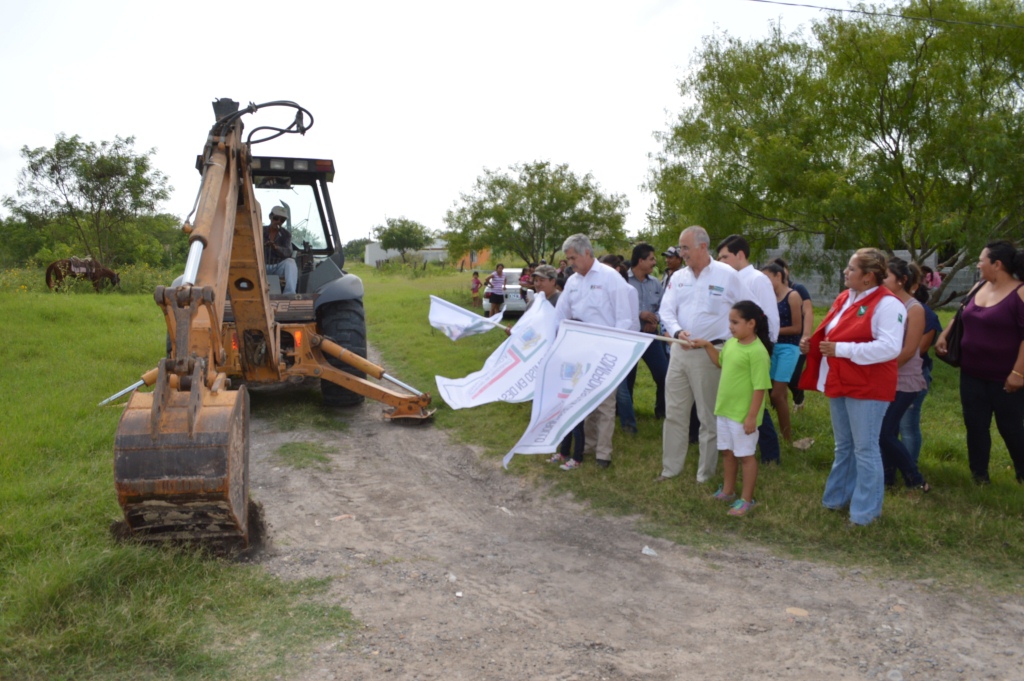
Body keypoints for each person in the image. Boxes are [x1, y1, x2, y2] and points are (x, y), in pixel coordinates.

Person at [799, 248, 904, 526]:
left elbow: (890, 348)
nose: (845, 272)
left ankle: (865, 514)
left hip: (868, 385)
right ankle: (835, 500)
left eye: (851, 269)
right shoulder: (846, 297)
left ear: (868, 277)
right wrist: (813, 344)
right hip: (842, 379)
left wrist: (840, 349)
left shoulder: (889, 304)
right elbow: (831, 332)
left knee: (865, 449)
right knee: (844, 446)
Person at [657, 226, 748, 483]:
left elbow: (748, 309)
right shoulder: (678, 277)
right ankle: (670, 469)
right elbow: (666, 311)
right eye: (680, 247)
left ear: (703, 247)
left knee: (708, 417)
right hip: (678, 352)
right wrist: (677, 332)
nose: (681, 252)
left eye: (685, 247)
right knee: (674, 413)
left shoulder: (727, 275)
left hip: (710, 354)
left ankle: (705, 475)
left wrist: (733, 344)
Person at [936, 241, 1024, 484]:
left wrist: (1018, 373)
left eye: (981, 260)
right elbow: (961, 315)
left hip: (1006, 377)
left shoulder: (1020, 292)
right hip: (971, 373)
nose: (978, 264)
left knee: (1011, 428)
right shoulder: (979, 286)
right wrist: (944, 334)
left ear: (997, 264)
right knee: (975, 426)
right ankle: (979, 476)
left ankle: (1022, 472)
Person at [554, 234, 635, 469]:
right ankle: (587, 446)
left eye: (573, 257)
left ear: (587, 253)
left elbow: (624, 318)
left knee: (606, 405)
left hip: (606, 350)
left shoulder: (611, 278)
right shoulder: (572, 282)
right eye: (568, 258)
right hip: (580, 351)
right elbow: (561, 315)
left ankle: (603, 453)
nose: (570, 262)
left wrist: (615, 351)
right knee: (584, 400)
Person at [692, 301, 774, 517]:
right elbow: (720, 362)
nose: (730, 326)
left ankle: (747, 499)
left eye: (735, 322)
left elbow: (760, 388)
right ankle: (728, 491)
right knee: (727, 453)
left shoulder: (757, 352)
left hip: (742, 415)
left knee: (746, 456)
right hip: (725, 411)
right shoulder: (731, 344)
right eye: (730, 321)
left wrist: (751, 417)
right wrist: (708, 346)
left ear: (751, 323)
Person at [716, 235, 782, 465]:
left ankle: (771, 454)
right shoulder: (729, 278)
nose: (721, 261)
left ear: (740, 255)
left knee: (755, 401)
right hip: (737, 348)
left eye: (725, 256)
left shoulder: (757, 279)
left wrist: (764, 347)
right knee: (741, 400)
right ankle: (739, 446)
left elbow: (769, 316)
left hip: (755, 348)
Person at [878, 257, 930, 492]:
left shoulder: (914, 309)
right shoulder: (884, 303)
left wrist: (879, 368)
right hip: (885, 376)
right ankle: (888, 478)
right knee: (884, 431)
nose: (881, 280)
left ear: (902, 281)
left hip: (904, 379)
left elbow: (910, 350)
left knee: (884, 432)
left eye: (886, 276)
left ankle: (915, 479)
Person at [898, 276, 943, 463]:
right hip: (892, 374)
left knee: (907, 425)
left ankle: (910, 469)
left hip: (912, 375)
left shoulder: (922, 312)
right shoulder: (889, 306)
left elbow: (920, 348)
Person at [623, 243, 668, 422]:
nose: (655, 262)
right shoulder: (623, 281)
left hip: (651, 336)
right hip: (630, 338)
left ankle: (662, 411)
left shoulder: (655, 283)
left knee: (664, 375)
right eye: (651, 259)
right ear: (640, 261)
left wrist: (654, 319)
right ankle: (626, 415)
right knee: (627, 379)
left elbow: (665, 307)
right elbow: (619, 309)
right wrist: (640, 315)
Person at [761, 262, 802, 444]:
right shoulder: (768, 298)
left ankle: (786, 438)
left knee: (777, 394)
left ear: (778, 276)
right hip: (772, 348)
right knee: (778, 394)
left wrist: (772, 331)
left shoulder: (793, 296)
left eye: (767, 278)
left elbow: (796, 328)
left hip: (788, 348)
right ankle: (782, 432)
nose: (765, 283)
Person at [774, 257, 814, 410]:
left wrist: (806, 335)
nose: (780, 274)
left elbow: (808, 311)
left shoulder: (798, 289)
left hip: (796, 340)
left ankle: (799, 399)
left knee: (793, 376)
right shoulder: (770, 292)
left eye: (782, 270)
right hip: (777, 341)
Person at [264, 206, 298, 295]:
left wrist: (276, 247)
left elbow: (288, 252)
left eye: (282, 220)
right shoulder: (260, 230)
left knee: (290, 262)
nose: (278, 222)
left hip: (277, 266)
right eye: (276, 218)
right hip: (261, 265)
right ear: (270, 217)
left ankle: (289, 293)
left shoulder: (286, 234)